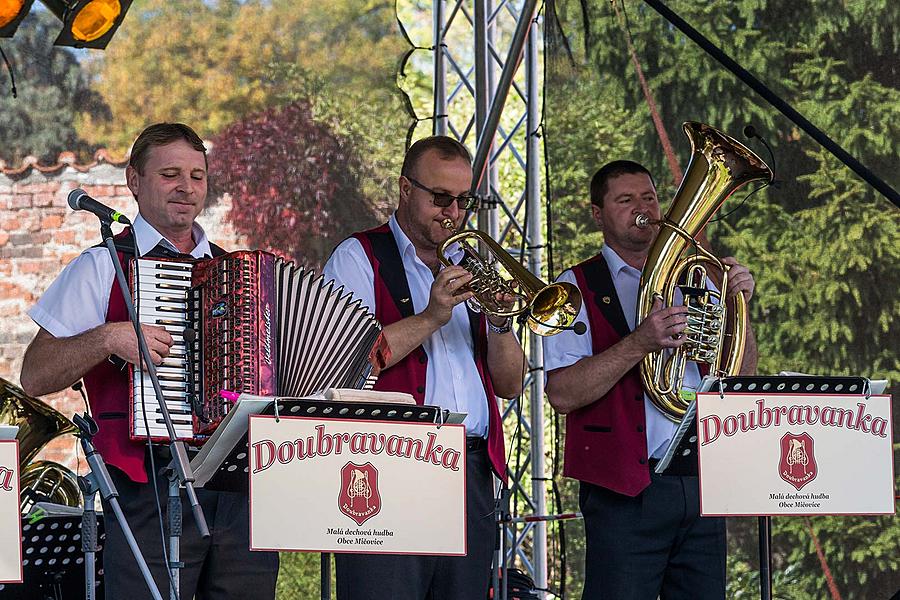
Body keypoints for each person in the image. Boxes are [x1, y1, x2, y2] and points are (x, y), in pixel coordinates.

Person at [20, 123, 279, 600]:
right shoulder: (101, 266)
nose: (186, 187)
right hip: (147, 487)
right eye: (170, 174)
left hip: (240, 489)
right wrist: (107, 338)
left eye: (197, 176)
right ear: (134, 181)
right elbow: (35, 374)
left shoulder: (241, 276)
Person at [542, 160, 758, 600]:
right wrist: (640, 342)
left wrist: (740, 308)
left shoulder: (697, 277)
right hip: (624, 491)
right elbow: (562, 393)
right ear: (598, 215)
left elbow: (738, 378)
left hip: (700, 481)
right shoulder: (576, 286)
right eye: (625, 200)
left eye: (650, 197)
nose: (643, 208)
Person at [323, 135, 526, 600]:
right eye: (440, 198)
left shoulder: (474, 266)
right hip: (385, 466)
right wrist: (433, 315)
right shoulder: (358, 257)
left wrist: (499, 324)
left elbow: (511, 385)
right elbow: (345, 362)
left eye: (463, 201)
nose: (452, 213)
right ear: (404, 189)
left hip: (470, 467)